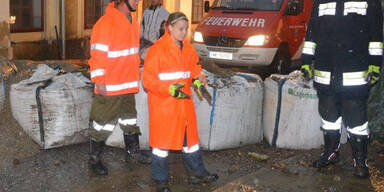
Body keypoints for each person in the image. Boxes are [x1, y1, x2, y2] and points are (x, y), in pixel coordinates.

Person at [301, 0, 383, 179]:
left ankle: (360, 162)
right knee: (328, 117)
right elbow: (312, 32)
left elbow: (376, 36)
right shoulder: (320, 2)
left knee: (357, 122)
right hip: (325, 72)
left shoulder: (370, 2)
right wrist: (306, 60)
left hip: (354, 71)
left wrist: (376, 65)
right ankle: (330, 153)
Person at [142, 12, 219, 191]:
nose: (184, 33)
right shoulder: (157, 50)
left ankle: (197, 174)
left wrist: (198, 78)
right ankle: (160, 181)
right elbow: (148, 80)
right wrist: (167, 89)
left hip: (183, 106)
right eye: (180, 29)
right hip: (165, 106)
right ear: (169, 28)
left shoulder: (187, 48)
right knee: (161, 146)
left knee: (190, 143)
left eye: (186, 29)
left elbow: (193, 66)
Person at [88, 0, 151, 176]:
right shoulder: (106, 23)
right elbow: (97, 54)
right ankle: (94, 159)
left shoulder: (132, 21)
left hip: (128, 84)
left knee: (129, 120)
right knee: (102, 124)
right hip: (110, 85)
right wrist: (99, 80)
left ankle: (133, 152)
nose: (138, 1)